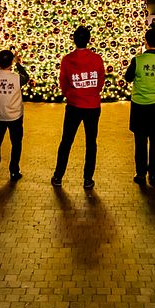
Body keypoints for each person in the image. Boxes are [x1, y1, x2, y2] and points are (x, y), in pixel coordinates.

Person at [51, 26, 105, 189]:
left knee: (66, 141)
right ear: (88, 40)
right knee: (91, 143)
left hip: (74, 105)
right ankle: (88, 179)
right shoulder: (97, 59)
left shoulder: (67, 59)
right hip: (92, 106)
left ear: (74, 40)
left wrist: (70, 94)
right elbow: (101, 80)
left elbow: (63, 82)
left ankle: (58, 176)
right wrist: (92, 92)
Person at [125, 28, 155, 185]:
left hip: (139, 105)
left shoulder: (138, 60)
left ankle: (140, 174)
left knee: (140, 141)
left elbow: (128, 78)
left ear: (145, 41)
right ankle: (154, 175)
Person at [0, 49, 28, 181]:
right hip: (15, 116)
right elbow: (26, 76)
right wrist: (18, 63)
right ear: (11, 62)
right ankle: (14, 171)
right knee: (16, 143)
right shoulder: (17, 78)